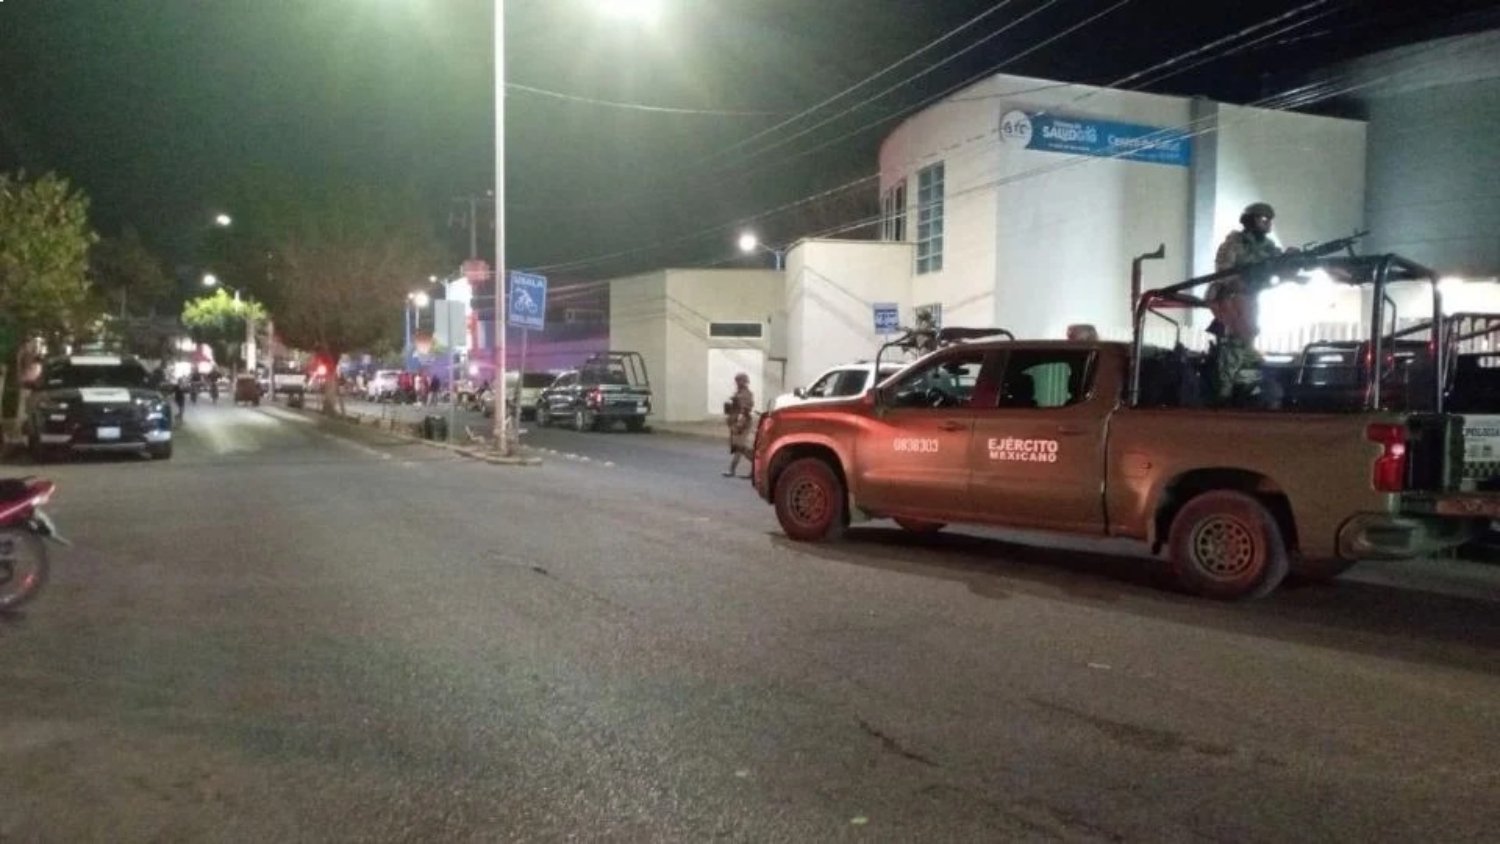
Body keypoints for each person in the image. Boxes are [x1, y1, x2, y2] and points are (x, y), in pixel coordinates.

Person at [1206, 202, 1286, 404]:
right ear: (1250, 220)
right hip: (1229, 295)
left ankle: (1242, 385)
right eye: (1263, 219)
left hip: (1249, 297)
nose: (1268, 224)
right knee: (1236, 339)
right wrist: (1244, 281)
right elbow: (1223, 271)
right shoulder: (1234, 243)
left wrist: (1294, 259)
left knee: (1247, 337)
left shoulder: (1268, 246)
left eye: (1270, 220)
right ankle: (1224, 391)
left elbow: (1281, 263)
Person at [723, 372, 756, 478]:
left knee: (740, 447)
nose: (737, 383)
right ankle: (753, 470)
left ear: (744, 382)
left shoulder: (745, 394)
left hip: (742, 422)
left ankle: (733, 470)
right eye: (737, 380)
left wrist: (739, 423)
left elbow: (745, 409)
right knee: (739, 447)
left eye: (739, 380)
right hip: (737, 422)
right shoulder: (739, 392)